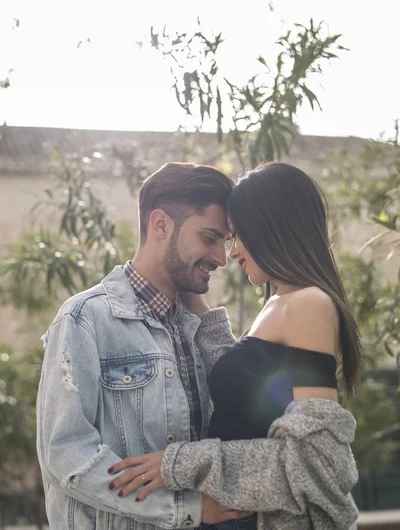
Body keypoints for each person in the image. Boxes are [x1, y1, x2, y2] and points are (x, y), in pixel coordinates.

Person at [106, 162, 362, 530]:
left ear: (271, 229)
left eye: (238, 235)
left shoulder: (309, 304)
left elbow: (315, 462)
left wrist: (178, 463)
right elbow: (245, 389)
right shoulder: (278, 303)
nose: (233, 252)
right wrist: (185, 284)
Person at [36, 161, 253, 529]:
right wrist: (186, 508)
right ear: (160, 224)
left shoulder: (193, 325)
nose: (221, 257)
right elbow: (67, 455)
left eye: (225, 242)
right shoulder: (85, 320)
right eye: (209, 237)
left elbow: (242, 407)